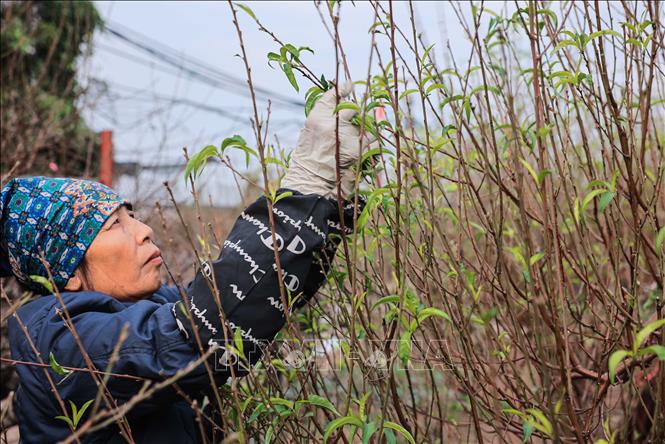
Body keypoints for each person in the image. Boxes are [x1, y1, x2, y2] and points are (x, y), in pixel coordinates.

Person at [1, 84, 370, 443]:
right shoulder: (62, 345)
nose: (144, 230)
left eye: (133, 216)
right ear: (66, 275)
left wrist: (327, 205)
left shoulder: (145, 307)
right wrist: (306, 186)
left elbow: (253, 299)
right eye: (113, 225)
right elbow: (203, 328)